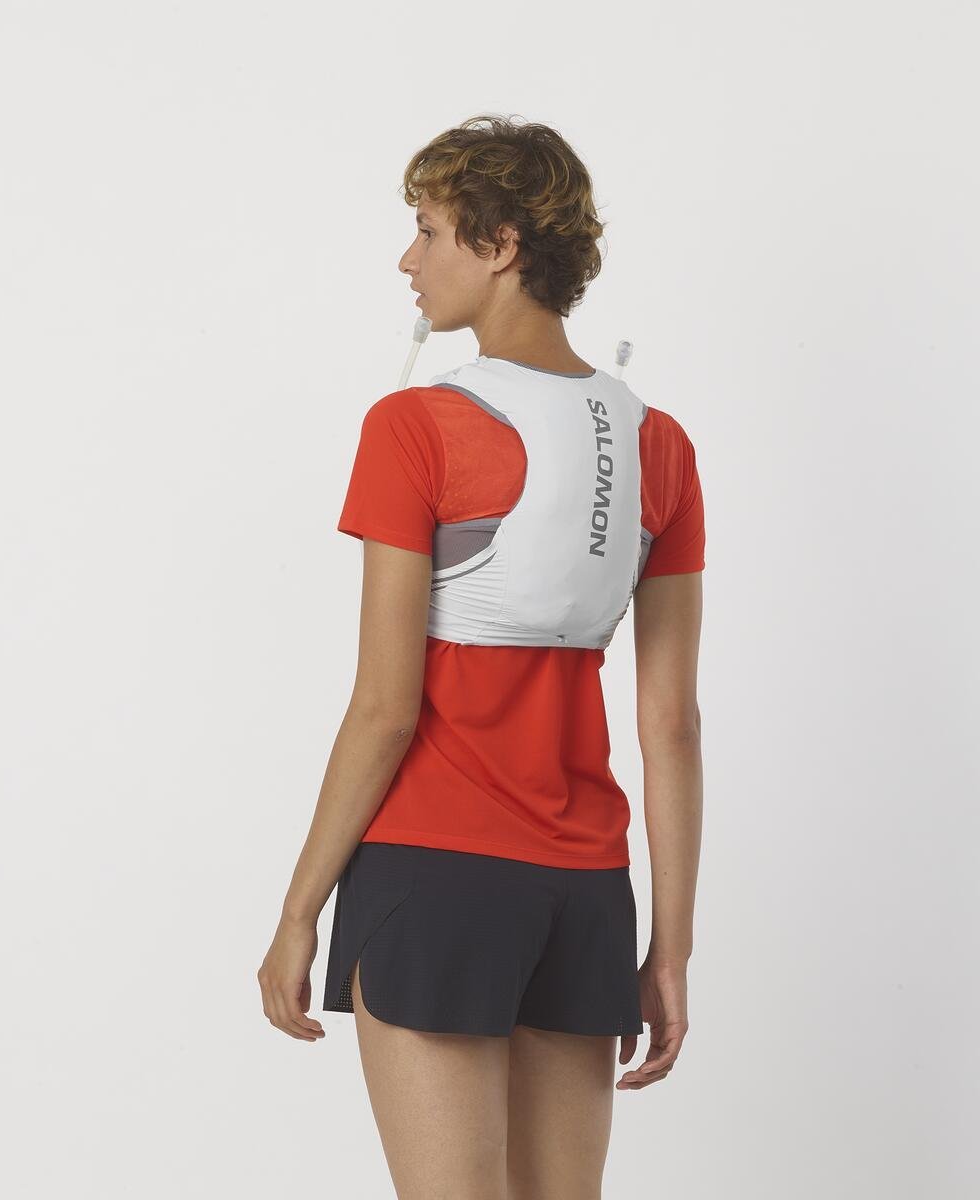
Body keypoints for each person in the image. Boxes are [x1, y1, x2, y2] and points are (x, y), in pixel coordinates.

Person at [257, 114, 704, 1200]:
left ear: (500, 244)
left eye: (428, 230)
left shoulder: (414, 426)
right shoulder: (659, 444)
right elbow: (671, 726)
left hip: (436, 869)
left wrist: (298, 910)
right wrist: (669, 950)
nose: (407, 260)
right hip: (586, 890)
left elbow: (384, 710)